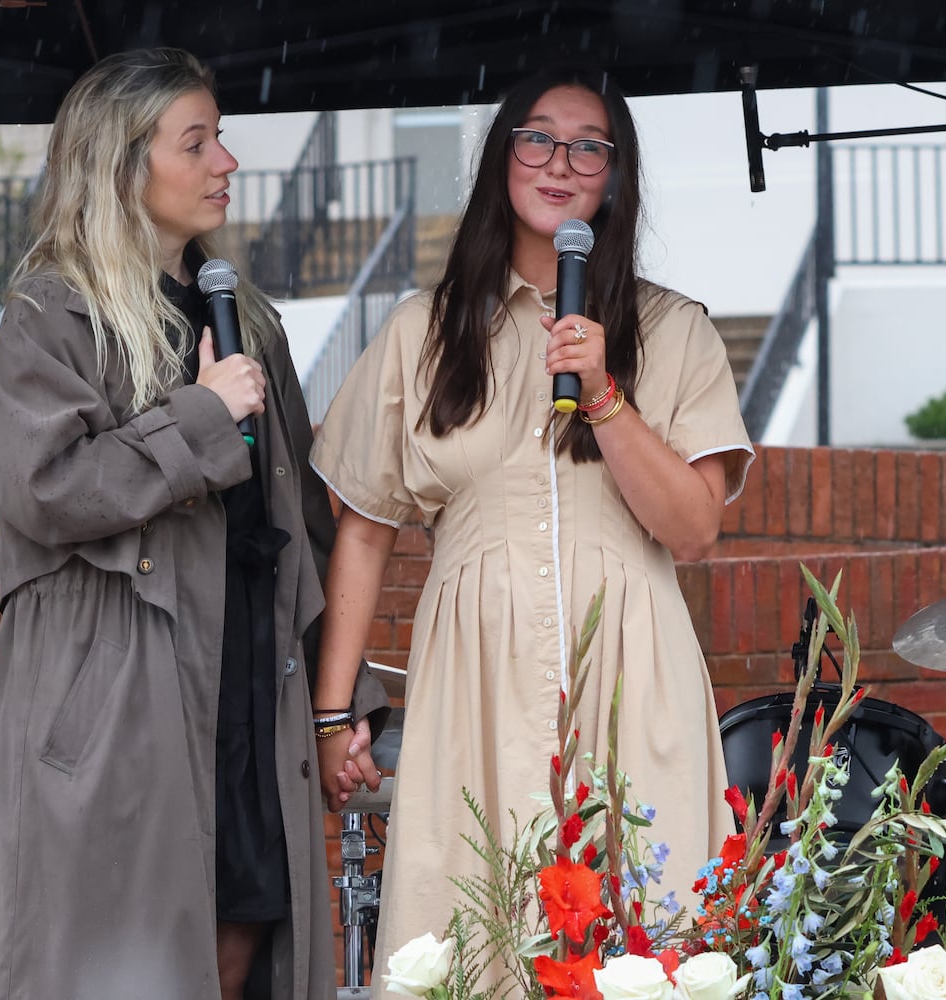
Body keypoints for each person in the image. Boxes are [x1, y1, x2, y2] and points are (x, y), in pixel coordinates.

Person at [308, 67, 755, 989]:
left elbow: (695, 528)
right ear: (502, 158)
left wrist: (605, 397)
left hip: (637, 676)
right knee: (476, 945)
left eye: (589, 145)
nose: (561, 162)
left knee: (653, 944)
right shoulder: (420, 335)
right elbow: (361, 530)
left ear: (616, 176)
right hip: (474, 682)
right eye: (538, 138)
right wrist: (329, 713)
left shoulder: (675, 333)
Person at [0, 47, 386, 1000]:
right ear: (122, 165)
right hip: (116, 687)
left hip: (245, 677)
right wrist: (199, 415)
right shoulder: (52, 311)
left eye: (221, 137)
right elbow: (44, 488)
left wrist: (339, 699)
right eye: (195, 143)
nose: (225, 162)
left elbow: (301, 530)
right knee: (121, 965)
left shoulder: (250, 322)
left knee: (241, 942)